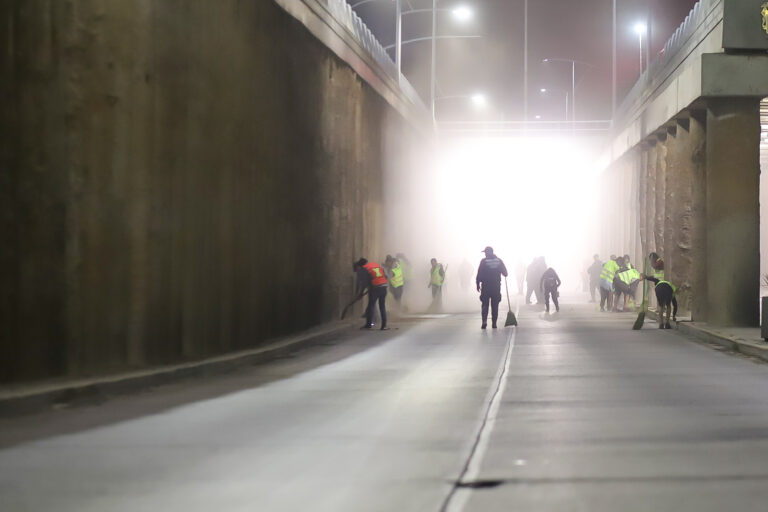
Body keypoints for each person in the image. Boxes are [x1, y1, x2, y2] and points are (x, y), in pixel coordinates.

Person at [476, 246, 509, 329]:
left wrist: (477, 284)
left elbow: (479, 273)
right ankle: (494, 323)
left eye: (486, 252)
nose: (485, 254)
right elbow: (505, 273)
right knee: (495, 305)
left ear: (489, 252)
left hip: (486, 286)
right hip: (496, 286)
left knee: (485, 304)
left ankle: (484, 321)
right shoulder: (499, 261)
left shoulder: (483, 261)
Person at [353, 258, 389, 330]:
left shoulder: (364, 269)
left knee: (371, 306)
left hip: (375, 288)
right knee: (382, 307)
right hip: (384, 287)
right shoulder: (375, 265)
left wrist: (360, 293)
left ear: (360, 265)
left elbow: (364, 283)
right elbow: (386, 276)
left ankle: (368, 325)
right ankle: (384, 326)